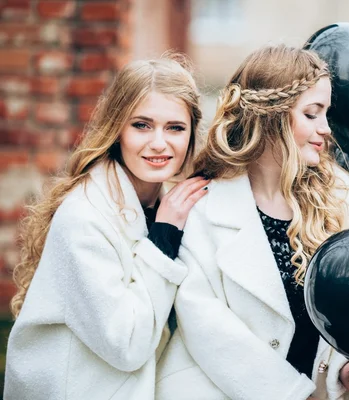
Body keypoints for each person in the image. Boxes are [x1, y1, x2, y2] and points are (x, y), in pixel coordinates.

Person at [155, 45, 349, 400]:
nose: (325, 129)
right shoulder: (203, 206)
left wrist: (345, 369)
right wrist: (289, 393)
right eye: (311, 114)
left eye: (326, 114)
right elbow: (205, 324)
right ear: (272, 116)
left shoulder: (347, 204)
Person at [4, 54, 210, 400]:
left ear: (190, 134)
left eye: (175, 127)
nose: (159, 143)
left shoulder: (170, 205)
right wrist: (162, 239)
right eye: (141, 125)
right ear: (117, 129)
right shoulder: (84, 217)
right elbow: (126, 344)